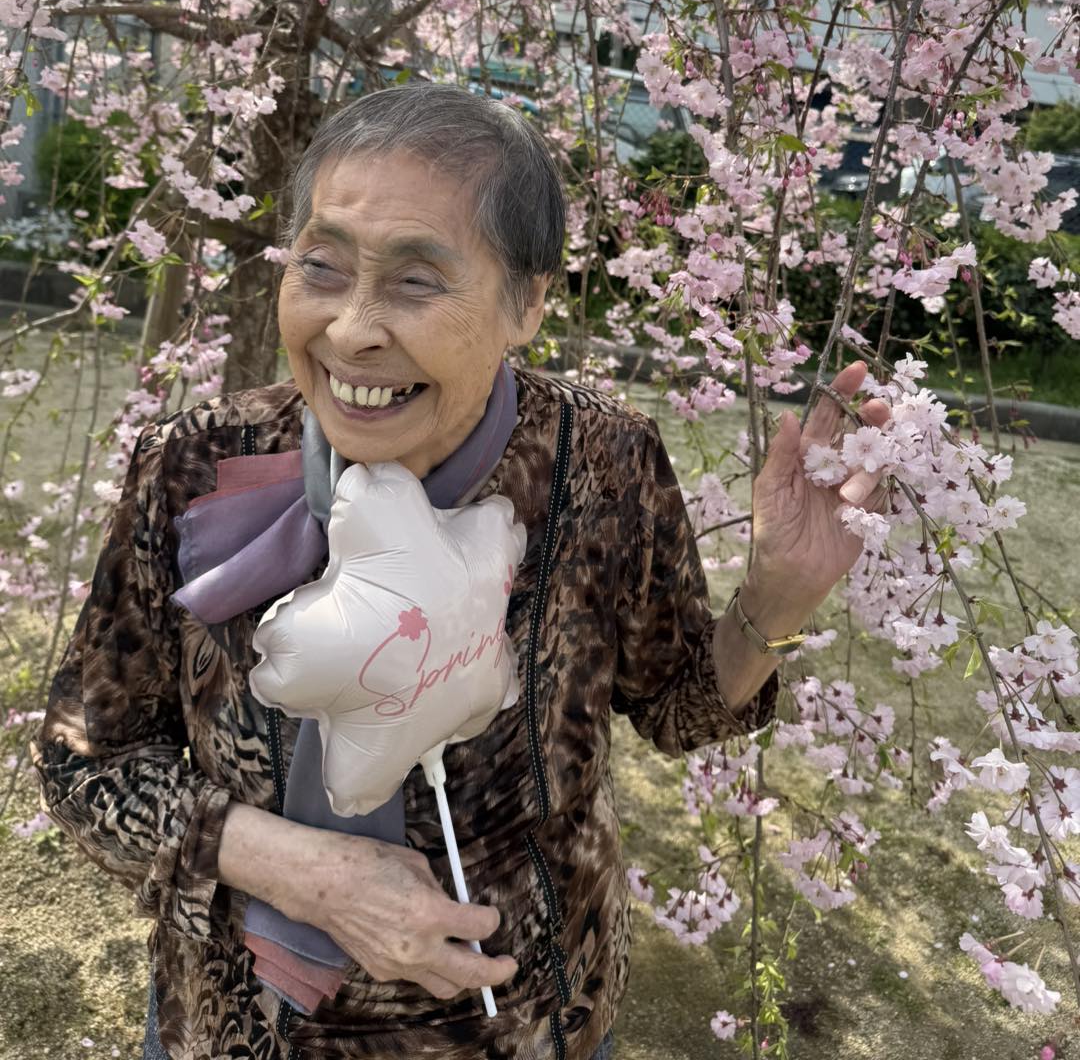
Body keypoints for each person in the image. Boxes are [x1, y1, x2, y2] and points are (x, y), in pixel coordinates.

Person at [32, 83, 890, 1060]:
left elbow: (679, 708)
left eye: (415, 281)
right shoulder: (194, 465)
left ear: (527, 302)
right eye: (322, 266)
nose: (352, 330)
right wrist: (299, 871)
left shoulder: (601, 463)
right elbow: (83, 761)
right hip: (241, 1024)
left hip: (529, 1021)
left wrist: (780, 593)